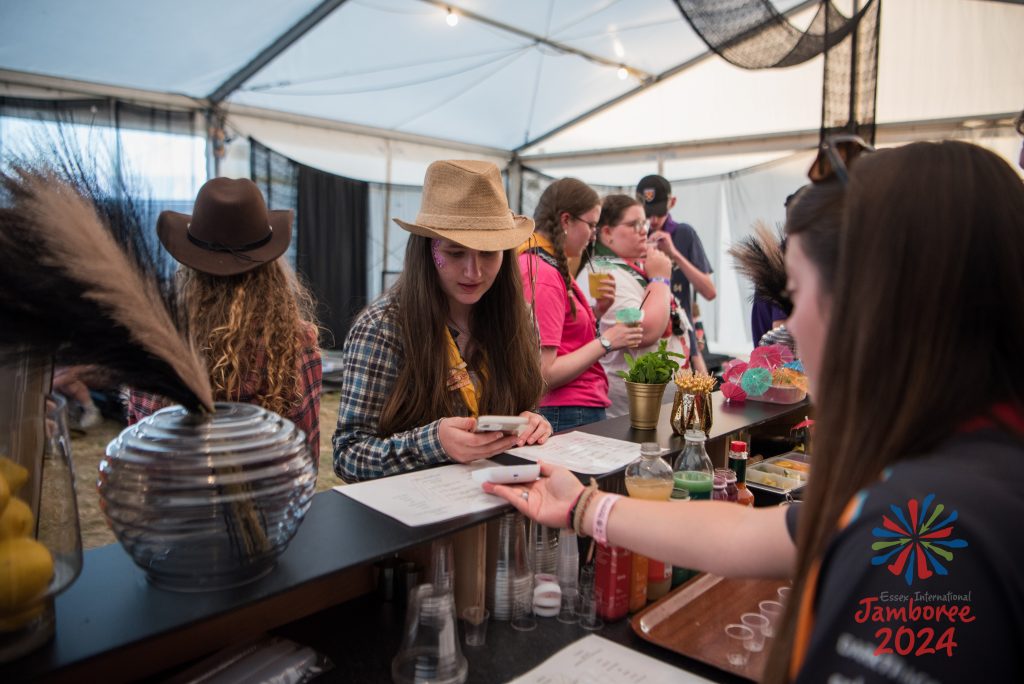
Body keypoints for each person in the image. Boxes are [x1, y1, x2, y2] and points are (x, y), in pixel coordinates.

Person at [486, 140, 1024, 682]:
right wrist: (584, 506)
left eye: (796, 291)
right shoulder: (959, 471)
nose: (790, 327)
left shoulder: (926, 528)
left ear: (873, 303)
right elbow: (761, 536)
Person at [333, 160, 550, 482]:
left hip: (495, 508)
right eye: (455, 253)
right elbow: (349, 455)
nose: (473, 272)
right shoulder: (382, 329)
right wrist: (433, 443)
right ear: (426, 252)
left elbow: (523, 405)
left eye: (488, 253)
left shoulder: (518, 319)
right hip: (412, 518)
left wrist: (532, 422)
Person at [126, 178, 322, 458]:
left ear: (190, 265)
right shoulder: (296, 342)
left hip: (172, 498)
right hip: (270, 499)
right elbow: (305, 456)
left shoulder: (154, 342)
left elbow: (140, 452)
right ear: (270, 267)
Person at [518, 179, 644, 432]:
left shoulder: (543, 266)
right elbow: (545, 373)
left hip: (568, 410)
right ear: (566, 221)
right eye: (592, 225)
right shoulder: (543, 275)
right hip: (566, 411)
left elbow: (562, 339)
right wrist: (607, 341)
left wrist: (597, 312)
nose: (593, 235)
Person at [581, 194, 685, 418]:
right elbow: (643, 332)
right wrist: (660, 280)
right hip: (630, 413)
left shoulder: (631, 267)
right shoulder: (602, 272)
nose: (643, 230)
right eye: (633, 224)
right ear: (607, 233)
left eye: (643, 223)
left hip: (656, 408)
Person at [636, 174, 716, 372]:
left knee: (693, 400)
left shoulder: (684, 233)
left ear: (672, 202)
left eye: (658, 212)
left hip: (682, 337)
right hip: (646, 337)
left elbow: (709, 292)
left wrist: (675, 254)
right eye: (647, 213)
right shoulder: (634, 238)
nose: (653, 220)